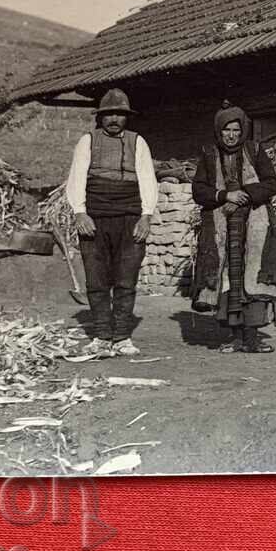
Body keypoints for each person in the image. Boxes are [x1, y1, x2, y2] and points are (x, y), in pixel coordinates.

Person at [64, 88, 158, 357]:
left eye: (119, 114)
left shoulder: (138, 142)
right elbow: (76, 178)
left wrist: (146, 216)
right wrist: (80, 213)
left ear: (127, 117)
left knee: (126, 279)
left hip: (129, 220)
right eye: (108, 114)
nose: (114, 119)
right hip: (95, 220)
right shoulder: (87, 141)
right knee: (96, 279)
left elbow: (148, 180)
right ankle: (102, 336)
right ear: (100, 117)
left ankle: (122, 336)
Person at [191, 103, 276, 353]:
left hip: (255, 222)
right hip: (222, 224)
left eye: (236, 129)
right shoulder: (209, 154)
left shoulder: (255, 151)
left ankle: (252, 338)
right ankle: (234, 338)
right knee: (226, 278)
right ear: (218, 132)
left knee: (253, 277)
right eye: (226, 130)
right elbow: (199, 190)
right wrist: (224, 195)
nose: (231, 135)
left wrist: (244, 193)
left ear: (243, 130)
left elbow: (272, 184)